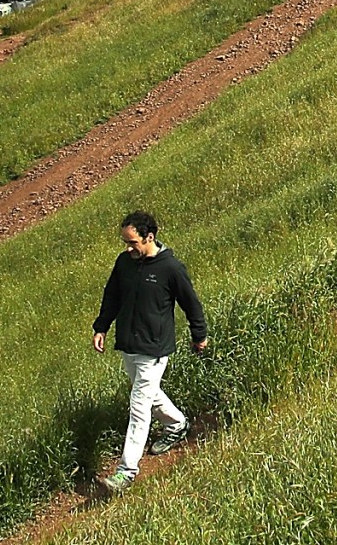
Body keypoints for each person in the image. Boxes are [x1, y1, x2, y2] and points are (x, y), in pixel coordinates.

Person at [91, 209, 209, 494]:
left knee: (139, 407)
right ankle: (178, 424)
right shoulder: (124, 263)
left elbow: (191, 304)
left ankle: (126, 471)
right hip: (129, 344)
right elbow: (112, 296)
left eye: (133, 243)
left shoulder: (171, 268)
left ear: (150, 237)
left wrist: (199, 335)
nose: (128, 248)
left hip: (155, 348)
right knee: (147, 392)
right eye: (125, 243)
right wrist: (101, 326)